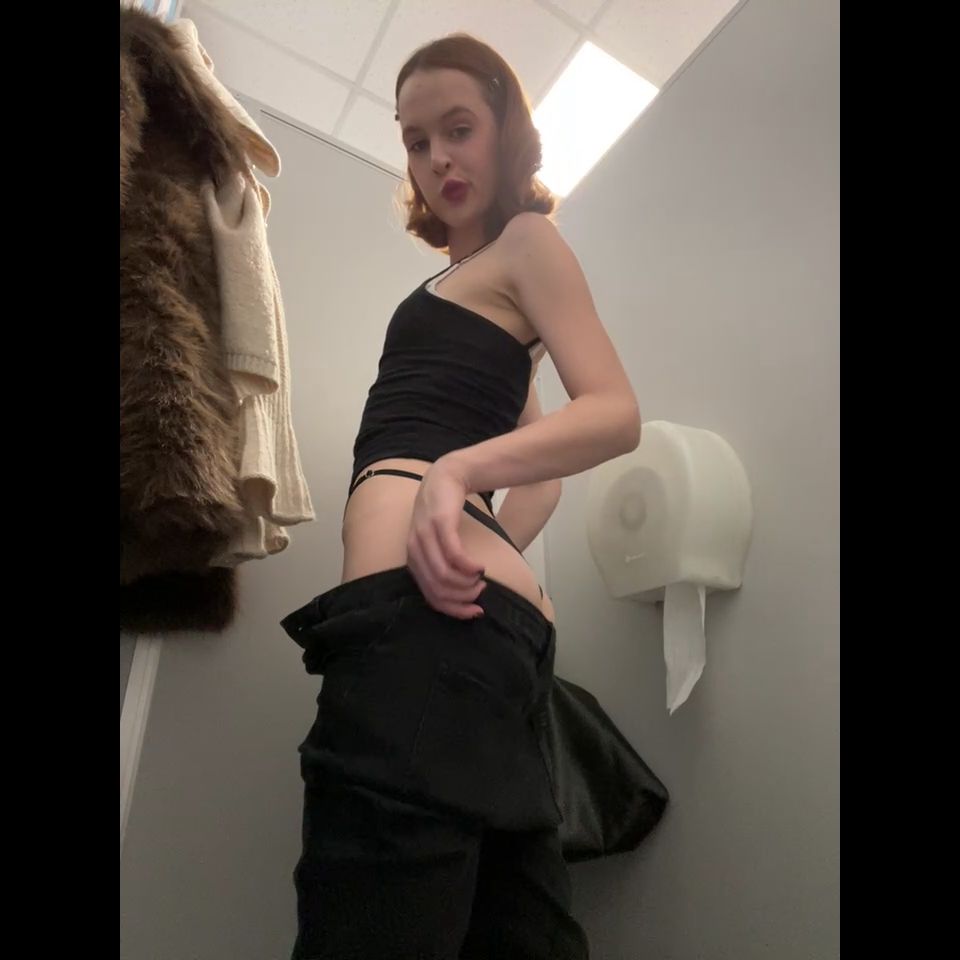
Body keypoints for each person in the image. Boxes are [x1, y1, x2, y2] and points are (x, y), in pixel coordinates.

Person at [281, 32, 640, 959]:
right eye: (416, 141)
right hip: (477, 635)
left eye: (459, 128)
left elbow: (614, 413)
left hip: (425, 630)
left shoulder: (527, 241)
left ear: (505, 131)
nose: (437, 157)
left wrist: (454, 477)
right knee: (515, 935)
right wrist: (485, 537)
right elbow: (543, 474)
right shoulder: (469, 285)